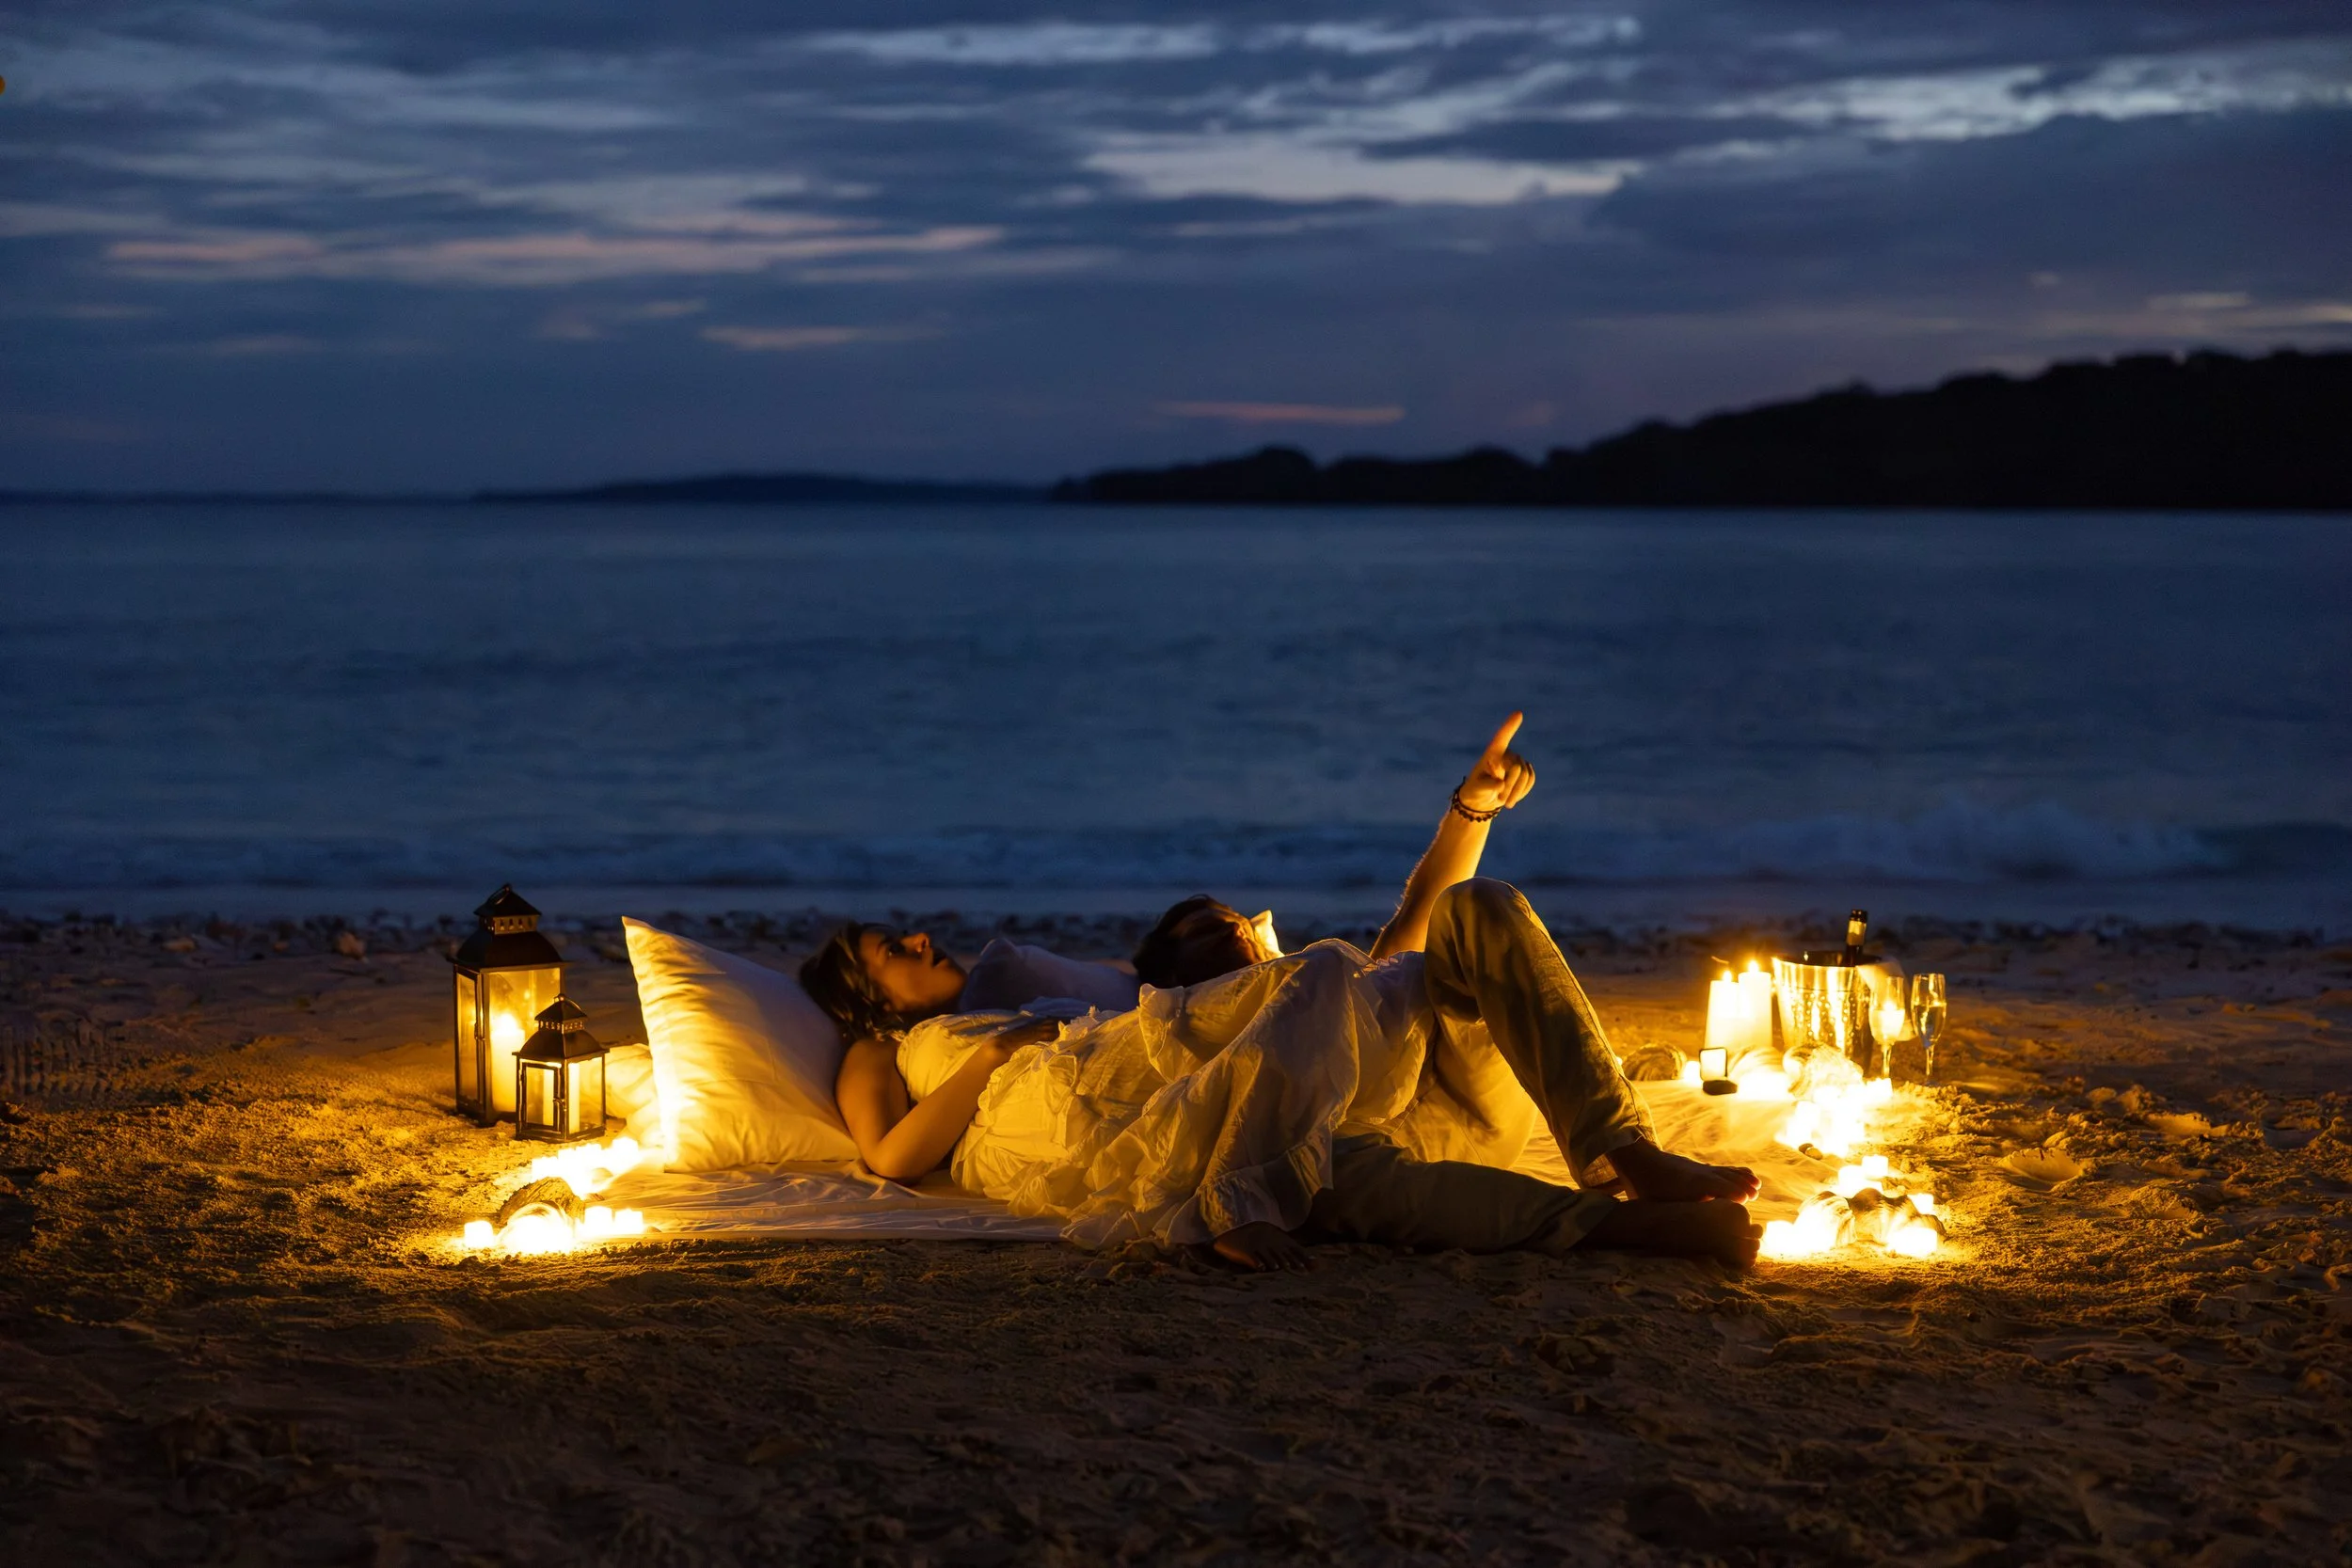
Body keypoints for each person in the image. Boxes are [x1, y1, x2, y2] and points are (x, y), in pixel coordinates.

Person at [802, 715, 1759, 1271]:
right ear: (868, 994)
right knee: (1340, 1172)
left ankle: (1626, 1150)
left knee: (1471, 909)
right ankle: (1625, 1225)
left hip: (1393, 1078)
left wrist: (1468, 808)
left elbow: (1397, 944)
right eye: (892, 944)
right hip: (1341, 1138)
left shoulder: (1150, 1011)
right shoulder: (884, 1049)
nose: (919, 935)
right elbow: (889, 1154)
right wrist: (991, 1059)